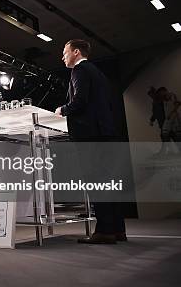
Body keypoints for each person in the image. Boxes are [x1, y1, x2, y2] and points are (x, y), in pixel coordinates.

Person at [55, 39, 126, 244]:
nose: (63, 56)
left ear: (76, 52)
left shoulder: (80, 70)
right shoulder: (98, 73)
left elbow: (79, 101)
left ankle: (104, 231)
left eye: (65, 52)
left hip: (90, 135)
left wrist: (63, 110)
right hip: (106, 133)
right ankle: (117, 230)